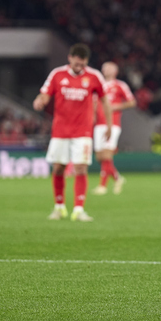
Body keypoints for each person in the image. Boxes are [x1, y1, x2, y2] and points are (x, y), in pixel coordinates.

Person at [33, 43, 112, 222]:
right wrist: (40, 101)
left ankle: (78, 209)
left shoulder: (94, 76)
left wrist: (107, 124)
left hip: (83, 131)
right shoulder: (57, 74)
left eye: (83, 65)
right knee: (59, 168)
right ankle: (59, 207)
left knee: (81, 168)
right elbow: (45, 94)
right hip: (60, 130)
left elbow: (105, 101)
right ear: (70, 58)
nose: (80, 68)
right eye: (77, 64)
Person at [91, 61, 136, 195]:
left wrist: (116, 107)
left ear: (115, 71)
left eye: (109, 68)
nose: (106, 70)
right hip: (98, 124)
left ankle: (102, 186)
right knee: (99, 157)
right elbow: (93, 103)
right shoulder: (98, 86)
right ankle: (117, 178)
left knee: (106, 154)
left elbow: (132, 102)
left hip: (112, 124)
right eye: (104, 68)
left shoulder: (120, 85)